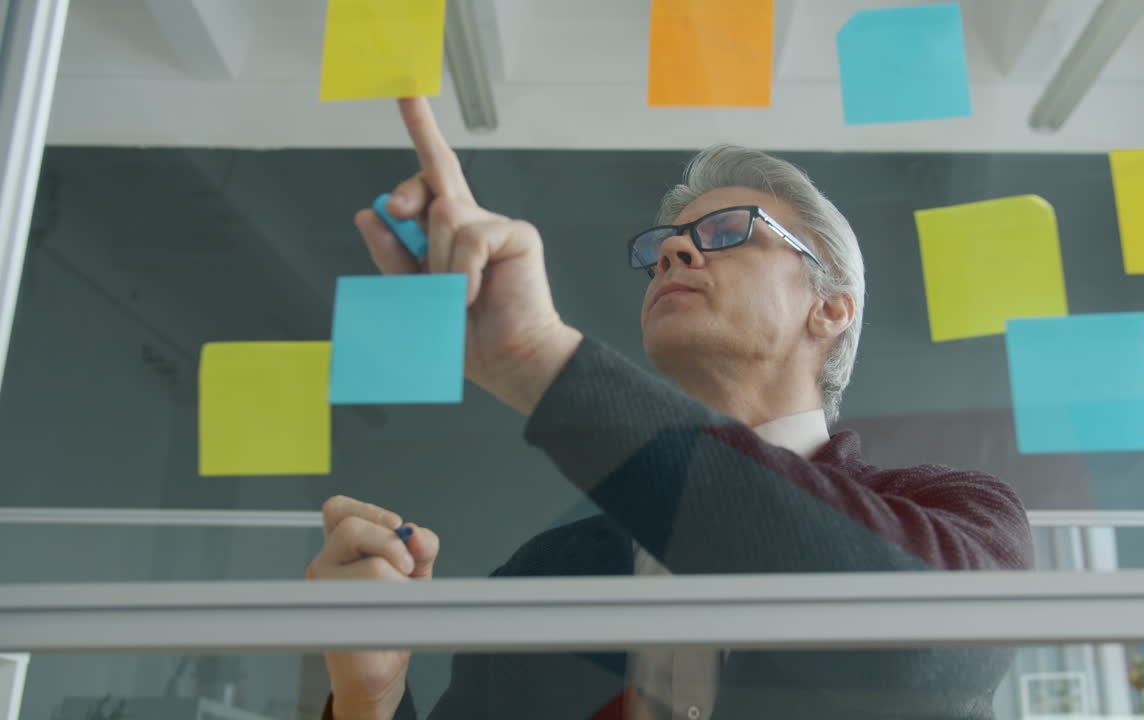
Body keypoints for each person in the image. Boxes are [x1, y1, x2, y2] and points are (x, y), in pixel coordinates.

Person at [306, 97, 1035, 720]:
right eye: (666, 245)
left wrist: (536, 359)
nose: (676, 253)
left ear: (831, 308)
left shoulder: (959, 515)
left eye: (726, 233)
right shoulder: (544, 578)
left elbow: (927, 652)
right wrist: (371, 695)